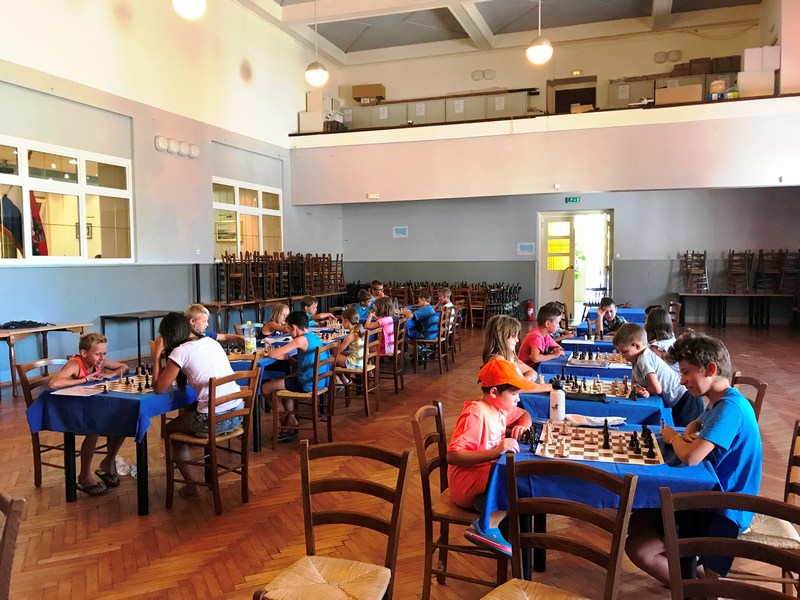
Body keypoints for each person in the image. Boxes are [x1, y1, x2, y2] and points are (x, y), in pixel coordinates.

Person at [625, 332, 762, 586]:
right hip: (708, 494)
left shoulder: (730, 409)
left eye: (686, 372)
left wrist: (672, 436)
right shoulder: (721, 400)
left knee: (638, 549)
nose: (681, 380)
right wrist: (689, 430)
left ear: (710, 369)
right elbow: (697, 422)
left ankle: (695, 588)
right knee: (637, 519)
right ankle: (690, 571)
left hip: (725, 507)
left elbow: (690, 458)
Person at [448, 357, 536, 556]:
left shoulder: (500, 408)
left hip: (484, 475)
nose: (518, 399)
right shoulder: (476, 414)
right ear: (494, 392)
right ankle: (488, 525)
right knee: (514, 479)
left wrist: (524, 426)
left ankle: (492, 509)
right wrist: (496, 451)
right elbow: (453, 455)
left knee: (515, 477)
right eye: (514, 394)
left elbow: (525, 414)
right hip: (465, 482)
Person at [153, 312, 243, 499]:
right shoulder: (211, 342)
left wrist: (156, 356)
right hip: (237, 413)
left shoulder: (181, 351)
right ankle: (199, 478)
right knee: (190, 413)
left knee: (169, 430)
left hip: (213, 420)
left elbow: (160, 388)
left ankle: (192, 485)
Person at [49, 333, 128, 496]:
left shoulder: (98, 361)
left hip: (89, 408)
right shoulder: (75, 364)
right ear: (84, 353)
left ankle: (108, 461)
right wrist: (85, 379)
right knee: (96, 427)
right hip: (69, 411)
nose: (102, 358)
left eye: (104, 353)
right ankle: (84, 476)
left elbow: (124, 367)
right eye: (98, 354)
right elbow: (54, 383)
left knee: (124, 418)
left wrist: (110, 374)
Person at [260, 311, 332, 443]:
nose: (288, 332)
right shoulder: (313, 337)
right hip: (319, 380)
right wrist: (288, 358)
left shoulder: (299, 340)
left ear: (293, 327)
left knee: (265, 388)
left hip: (307, 383)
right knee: (285, 380)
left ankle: (285, 421)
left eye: (288, 328)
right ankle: (291, 420)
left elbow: (272, 355)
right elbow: (302, 363)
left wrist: (274, 352)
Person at [613, 323, 703, 426]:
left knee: (686, 433)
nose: (622, 356)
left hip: (688, 401)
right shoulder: (636, 358)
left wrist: (645, 390)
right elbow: (634, 383)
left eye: (624, 352)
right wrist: (638, 389)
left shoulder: (644, 359)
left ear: (637, 346)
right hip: (680, 400)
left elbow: (656, 389)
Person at [482, 314, 551, 391]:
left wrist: (524, 381)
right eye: (513, 336)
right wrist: (551, 387)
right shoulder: (498, 363)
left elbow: (532, 372)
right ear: (501, 337)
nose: (517, 340)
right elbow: (511, 390)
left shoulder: (509, 356)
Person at [518, 305, 565, 369]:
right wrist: (554, 355)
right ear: (547, 324)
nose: (558, 326)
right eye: (557, 323)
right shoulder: (536, 336)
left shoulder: (545, 335)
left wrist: (557, 349)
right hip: (526, 370)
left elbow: (557, 346)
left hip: (534, 367)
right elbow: (535, 358)